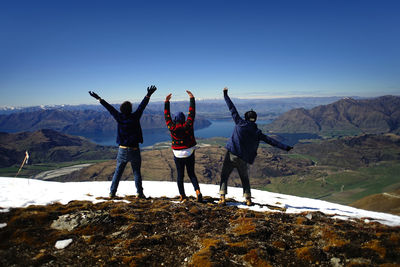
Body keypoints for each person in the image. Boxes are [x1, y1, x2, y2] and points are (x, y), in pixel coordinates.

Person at [219, 87, 293, 206]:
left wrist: (225, 95)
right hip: (243, 158)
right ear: (255, 119)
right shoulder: (257, 132)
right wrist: (286, 147)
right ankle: (248, 199)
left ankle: (222, 197)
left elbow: (231, 108)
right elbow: (271, 141)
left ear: (246, 117)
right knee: (244, 178)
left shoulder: (239, 122)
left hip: (232, 154)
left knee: (224, 175)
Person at [88, 85, 157, 198]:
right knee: (136, 172)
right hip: (134, 149)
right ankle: (139, 193)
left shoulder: (119, 117)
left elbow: (109, 108)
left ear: (121, 110)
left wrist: (99, 98)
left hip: (122, 149)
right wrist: (148, 95)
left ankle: (112, 193)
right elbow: (142, 106)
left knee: (118, 172)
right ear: (130, 109)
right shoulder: (135, 116)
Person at [164, 90, 203, 202]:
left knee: (180, 175)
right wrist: (192, 98)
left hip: (177, 153)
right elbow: (192, 113)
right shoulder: (188, 125)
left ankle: (182, 195)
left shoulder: (172, 127)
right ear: (183, 119)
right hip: (189, 151)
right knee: (191, 173)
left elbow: (166, 116)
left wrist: (166, 102)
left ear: (175, 119)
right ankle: (197, 191)